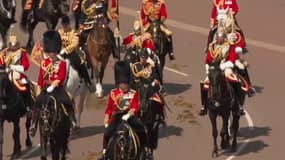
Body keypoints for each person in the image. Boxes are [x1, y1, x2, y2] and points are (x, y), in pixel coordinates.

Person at [29, 30, 76, 136]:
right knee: (37, 103)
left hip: (58, 88)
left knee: (68, 100)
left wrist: (54, 84)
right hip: (46, 89)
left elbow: (62, 76)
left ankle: (73, 121)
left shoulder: (62, 63)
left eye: (54, 52)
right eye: (50, 52)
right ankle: (33, 125)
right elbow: (40, 77)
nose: (52, 54)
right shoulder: (44, 63)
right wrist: (39, 88)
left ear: (56, 51)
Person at [98, 61, 147, 160]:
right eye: (121, 83)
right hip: (117, 116)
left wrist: (129, 115)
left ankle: (143, 150)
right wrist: (107, 119)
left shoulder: (133, 93)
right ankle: (104, 152)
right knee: (107, 133)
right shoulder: (113, 93)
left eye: (125, 83)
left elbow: (134, 107)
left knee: (142, 130)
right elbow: (109, 109)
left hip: (129, 116)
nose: (123, 85)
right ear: (118, 83)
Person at [200, 28, 245, 116]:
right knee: (205, 82)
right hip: (214, 68)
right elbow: (208, 60)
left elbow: (232, 60)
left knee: (235, 80)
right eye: (217, 37)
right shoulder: (212, 46)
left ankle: (238, 104)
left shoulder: (229, 45)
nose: (219, 39)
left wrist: (221, 66)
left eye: (220, 37)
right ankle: (204, 105)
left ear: (224, 38)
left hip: (226, 67)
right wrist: (208, 69)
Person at [0, 26, 32, 115]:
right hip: (6, 73)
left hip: (17, 74)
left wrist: (15, 67)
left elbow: (26, 66)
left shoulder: (22, 52)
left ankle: (28, 106)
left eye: (14, 44)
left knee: (26, 84)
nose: (13, 46)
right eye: (11, 44)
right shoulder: (4, 52)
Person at [58, 15, 95, 92]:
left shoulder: (73, 32)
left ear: (69, 24)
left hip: (71, 53)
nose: (65, 26)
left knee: (80, 64)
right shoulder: (59, 32)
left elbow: (75, 43)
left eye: (66, 24)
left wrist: (66, 50)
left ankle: (88, 82)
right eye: (63, 24)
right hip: (60, 52)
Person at [226, 25, 256, 97]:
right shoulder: (219, 35)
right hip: (221, 60)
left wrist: (234, 50)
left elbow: (240, 46)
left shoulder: (236, 35)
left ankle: (248, 88)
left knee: (242, 68)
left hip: (234, 58)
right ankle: (204, 104)